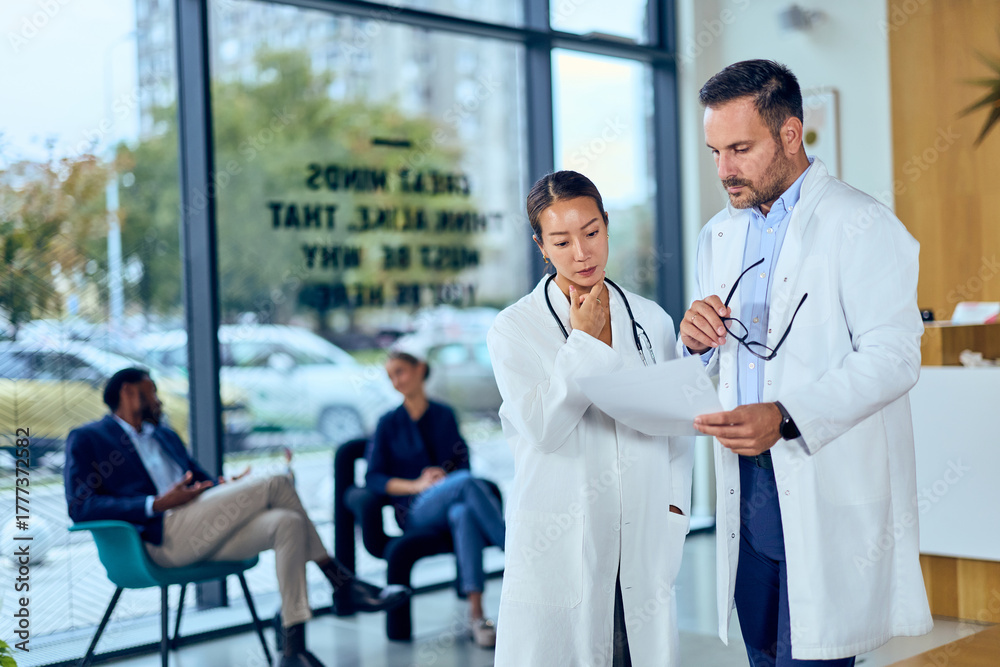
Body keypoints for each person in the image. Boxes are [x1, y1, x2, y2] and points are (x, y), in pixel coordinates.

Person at [682, 59, 932, 666]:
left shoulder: (861, 224)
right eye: (715, 152)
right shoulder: (718, 235)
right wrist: (694, 344)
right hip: (746, 492)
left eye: (740, 149)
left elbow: (895, 357)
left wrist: (787, 414)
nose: (724, 169)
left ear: (790, 134)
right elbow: (717, 364)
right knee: (763, 658)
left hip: (822, 478)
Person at [65, 367, 410, 667]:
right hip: (160, 541)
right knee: (276, 483)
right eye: (151, 392)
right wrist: (155, 503)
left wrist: (225, 487)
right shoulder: (89, 438)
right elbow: (81, 506)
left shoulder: (165, 435)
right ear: (128, 393)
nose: (158, 401)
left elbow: (201, 482)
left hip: (202, 528)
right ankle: (341, 583)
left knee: (287, 523)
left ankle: (293, 649)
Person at [486, 170, 693, 666]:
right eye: (561, 241)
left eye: (592, 232)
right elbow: (544, 428)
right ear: (541, 247)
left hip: (644, 534)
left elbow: (677, 427)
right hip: (563, 541)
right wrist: (581, 342)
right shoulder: (514, 328)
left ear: (606, 225)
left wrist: (675, 511)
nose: (581, 253)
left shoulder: (651, 319)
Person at [365, 350, 506, 647]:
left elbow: (462, 463)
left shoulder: (443, 414)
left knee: (463, 513)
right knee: (465, 483)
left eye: (400, 372)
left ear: (420, 369)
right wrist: (416, 485)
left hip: (451, 501)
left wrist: (443, 478)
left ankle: (477, 616)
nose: (396, 381)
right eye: (390, 376)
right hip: (415, 510)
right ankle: (513, 550)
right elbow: (373, 478)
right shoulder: (388, 422)